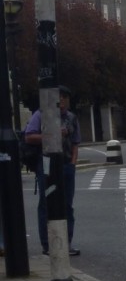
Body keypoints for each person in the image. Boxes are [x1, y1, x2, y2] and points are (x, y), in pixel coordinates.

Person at [24, 85, 81, 256]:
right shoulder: (41, 115)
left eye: (65, 98)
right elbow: (29, 136)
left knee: (67, 206)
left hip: (66, 165)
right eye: (59, 97)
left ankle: (67, 242)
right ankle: (47, 244)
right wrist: (53, 135)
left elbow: (75, 143)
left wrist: (72, 163)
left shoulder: (71, 118)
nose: (62, 101)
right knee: (47, 204)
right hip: (46, 165)